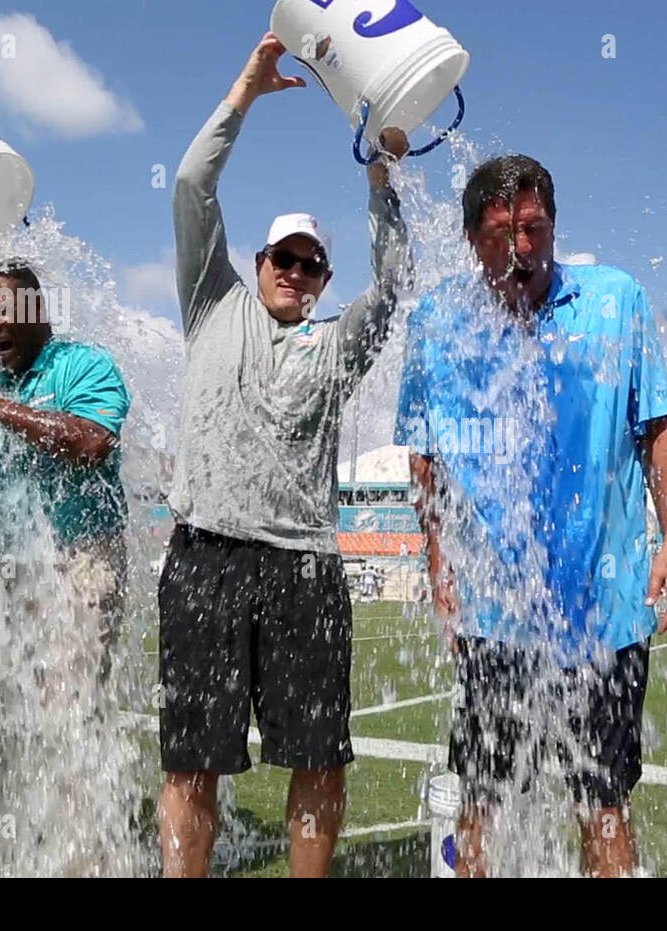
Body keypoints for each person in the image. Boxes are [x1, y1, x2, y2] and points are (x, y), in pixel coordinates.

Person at [157, 31, 412, 879]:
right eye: (285, 259)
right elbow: (193, 183)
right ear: (256, 262)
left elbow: (398, 275)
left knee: (319, 756)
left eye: (313, 265)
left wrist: (379, 175)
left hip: (305, 568)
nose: (298, 273)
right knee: (191, 760)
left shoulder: (338, 346)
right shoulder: (211, 302)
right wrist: (246, 89)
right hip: (205, 559)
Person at [397, 154, 667, 877]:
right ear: (472, 240)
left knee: (603, 800)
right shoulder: (438, 322)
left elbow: (657, 427)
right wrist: (439, 565)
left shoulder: (615, 300)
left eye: (533, 229)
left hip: (604, 603)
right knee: (483, 799)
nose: (520, 250)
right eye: (500, 234)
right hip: (496, 609)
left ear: (554, 227)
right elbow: (426, 458)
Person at [0, 262, 131, 876]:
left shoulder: (82, 366)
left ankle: (76, 863)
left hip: (76, 565)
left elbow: (92, 440)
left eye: (1, 314)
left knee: (64, 718)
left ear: (38, 311)